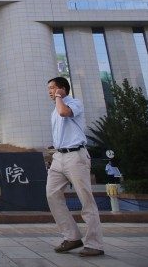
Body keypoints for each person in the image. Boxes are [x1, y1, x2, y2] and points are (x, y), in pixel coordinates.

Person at [45, 77, 104, 257]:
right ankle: (72, 237)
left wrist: (59, 97)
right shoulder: (54, 110)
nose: (49, 91)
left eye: (53, 88)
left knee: (86, 199)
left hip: (75, 156)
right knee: (52, 194)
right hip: (59, 156)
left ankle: (95, 244)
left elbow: (64, 113)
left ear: (62, 89)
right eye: (49, 89)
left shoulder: (74, 103)